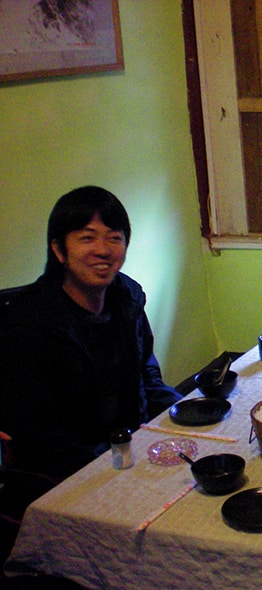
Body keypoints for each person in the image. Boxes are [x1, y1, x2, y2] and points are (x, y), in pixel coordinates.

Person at [0, 186, 182, 483]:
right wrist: (109, 467)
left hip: (130, 452)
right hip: (68, 471)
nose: (103, 249)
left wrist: (184, 413)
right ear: (59, 249)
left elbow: (147, 378)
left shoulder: (127, 298)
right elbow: (36, 430)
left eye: (114, 237)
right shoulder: (29, 320)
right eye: (87, 237)